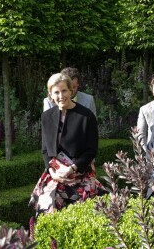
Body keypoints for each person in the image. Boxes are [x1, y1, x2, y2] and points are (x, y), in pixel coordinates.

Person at [29, 73, 106, 216]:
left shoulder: (86, 116)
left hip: (79, 173)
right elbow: (45, 150)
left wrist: (71, 169)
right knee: (46, 210)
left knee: (82, 215)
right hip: (54, 173)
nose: (60, 96)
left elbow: (91, 150)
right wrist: (52, 172)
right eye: (56, 92)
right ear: (50, 94)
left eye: (64, 91)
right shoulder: (46, 117)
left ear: (71, 90)